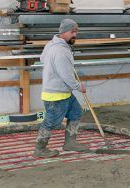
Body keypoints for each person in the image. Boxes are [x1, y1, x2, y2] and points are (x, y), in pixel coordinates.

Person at [33, 19, 90, 158]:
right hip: (56, 95)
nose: (75, 34)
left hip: (64, 93)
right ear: (63, 32)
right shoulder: (60, 51)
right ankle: (39, 149)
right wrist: (79, 87)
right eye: (72, 31)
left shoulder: (52, 44)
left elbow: (42, 58)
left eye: (76, 31)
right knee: (51, 122)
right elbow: (67, 76)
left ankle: (70, 143)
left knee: (76, 113)